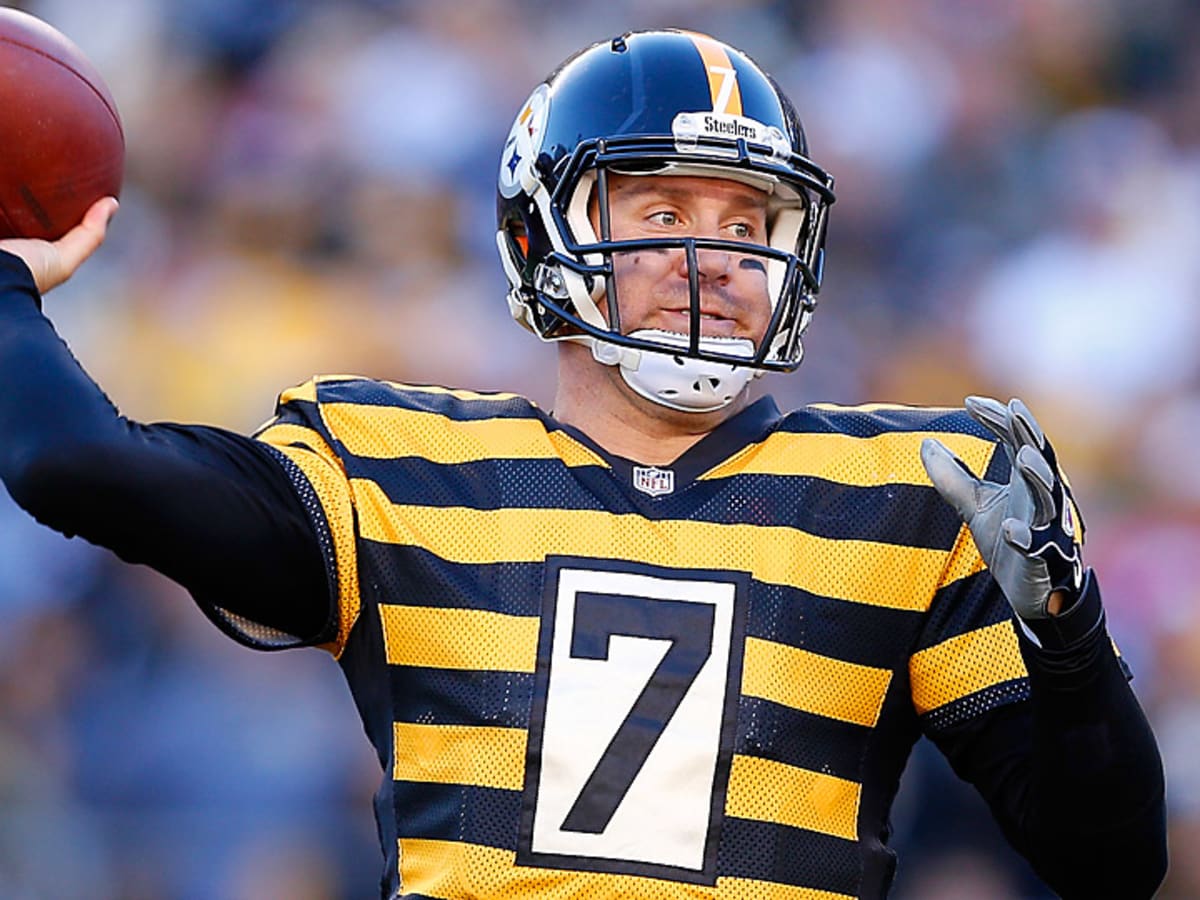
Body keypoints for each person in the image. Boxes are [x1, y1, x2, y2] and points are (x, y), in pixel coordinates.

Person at [0, 29, 1167, 900]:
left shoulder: (911, 498)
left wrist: (1069, 643)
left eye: (748, 222)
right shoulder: (401, 469)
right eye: (660, 214)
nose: (710, 256)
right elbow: (78, 466)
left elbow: (1109, 863)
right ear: (537, 239)